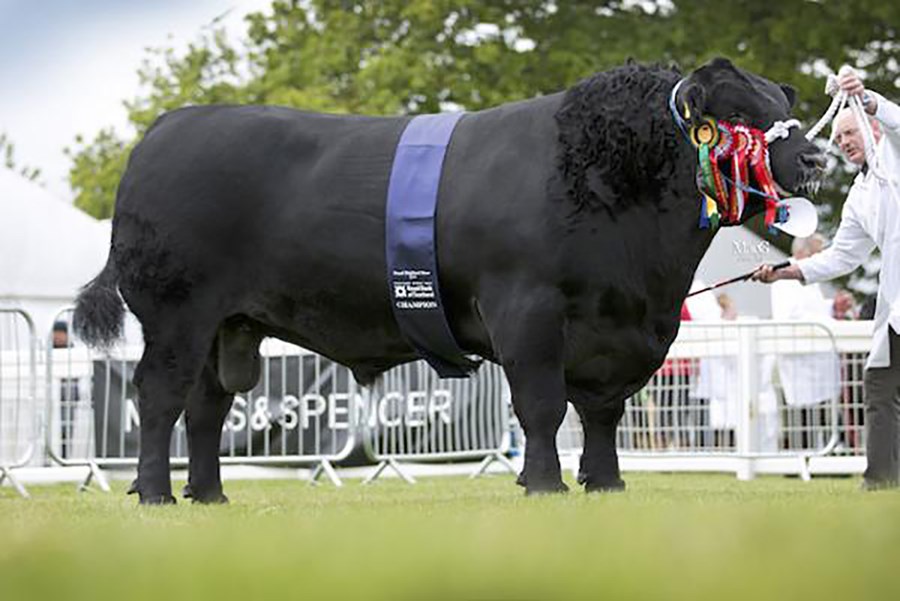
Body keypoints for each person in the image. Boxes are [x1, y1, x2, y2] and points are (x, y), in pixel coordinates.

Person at [753, 68, 900, 490]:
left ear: (872, 128)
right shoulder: (859, 196)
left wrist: (867, 99)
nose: (844, 142)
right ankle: (881, 481)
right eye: (839, 138)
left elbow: (896, 122)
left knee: (883, 387)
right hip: (895, 304)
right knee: (880, 386)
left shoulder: (894, 154)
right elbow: (842, 256)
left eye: (850, 132)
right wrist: (788, 272)